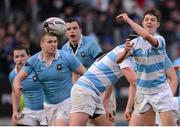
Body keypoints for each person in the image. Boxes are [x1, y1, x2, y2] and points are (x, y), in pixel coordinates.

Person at [116, 9, 178, 125]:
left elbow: (146, 36)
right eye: (147, 20)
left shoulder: (160, 40)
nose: (149, 22)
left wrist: (127, 19)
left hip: (160, 92)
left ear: (158, 24)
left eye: (153, 20)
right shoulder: (135, 43)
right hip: (143, 93)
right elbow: (118, 60)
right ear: (143, 23)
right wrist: (125, 51)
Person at [13, 31, 86, 126]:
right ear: (41, 44)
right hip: (48, 106)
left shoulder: (67, 57)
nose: (54, 44)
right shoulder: (33, 60)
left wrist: (81, 90)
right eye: (50, 42)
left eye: (55, 41)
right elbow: (17, 78)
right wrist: (16, 85)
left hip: (66, 102)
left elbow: (85, 74)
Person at [69, 38, 136, 126]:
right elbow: (135, 82)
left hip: (94, 94)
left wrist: (105, 105)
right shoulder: (125, 54)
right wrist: (129, 108)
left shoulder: (120, 51)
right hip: (84, 91)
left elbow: (109, 81)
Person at [62, 18, 116, 123]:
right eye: (68, 29)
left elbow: (105, 67)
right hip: (83, 91)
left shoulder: (91, 44)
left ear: (80, 30)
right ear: (65, 33)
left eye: (74, 28)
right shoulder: (64, 49)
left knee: (108, 121)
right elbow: (71, 74)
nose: (72, 31)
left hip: (101, 89)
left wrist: (106, 98)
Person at [124, 55, 178, 125]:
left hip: (161, 98)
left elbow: (174, 78)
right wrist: (128, 107)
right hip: (142, 97)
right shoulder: (136, 57)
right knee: (134, 124)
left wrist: (167, 101)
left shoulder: (161, 54)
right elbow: (134, 84)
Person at [9, 45, 47, 126]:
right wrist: (15, 112)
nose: (20, 59)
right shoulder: (12, 75)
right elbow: (14, 92)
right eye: (17, 57)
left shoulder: (38, 69)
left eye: (22, 56)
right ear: (13, 59)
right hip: (28, 111)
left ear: (29, 56)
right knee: (14, 123)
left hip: (45, 110)